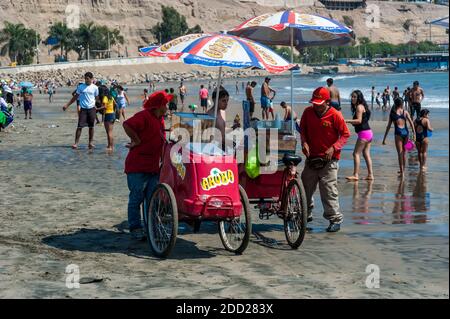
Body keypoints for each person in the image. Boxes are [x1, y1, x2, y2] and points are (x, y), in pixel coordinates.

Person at [123, 90, 173, 240]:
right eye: (166, 103)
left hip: (153, 167)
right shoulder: (144, 116)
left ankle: (152, 227)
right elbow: (127, 125)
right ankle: (135, 228)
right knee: (136, 199)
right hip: (137, 167)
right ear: (159, 105)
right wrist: (136, 140)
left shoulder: (160, 120)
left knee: (153, 199)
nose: (168, 106)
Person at [300, 87, 350, 232]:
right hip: (311, 158)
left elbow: (345, 134)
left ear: (327, 102)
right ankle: (305, 213)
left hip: (329, 160)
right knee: (306, 188)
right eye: (314, 102)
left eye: (319, 103)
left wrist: (334, 147)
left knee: (328, 190)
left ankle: (334, 219)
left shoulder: (335, 115)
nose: (315, 105)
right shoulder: (307, 112)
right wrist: (304, 142)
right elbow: (302, 129)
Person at [62, 72, 100, 150]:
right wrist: (67, 105)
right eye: (85, 79)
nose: (86, 80)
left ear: (92, 79)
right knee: (79, 126)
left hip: (92, 109)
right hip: (83, 109)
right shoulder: (81, 87)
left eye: (88, 79)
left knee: (91, 127)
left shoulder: (95, 88)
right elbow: (75, 97)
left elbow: (97, 98)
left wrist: (99, 106)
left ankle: (90, 143)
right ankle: (76, 143)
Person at [382, 97, 416, 179]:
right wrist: (414, 133)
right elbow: (411, 123)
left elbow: (388, 126)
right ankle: (402, 170)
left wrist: (384, 139)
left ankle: (402, 172)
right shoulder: (405, 112)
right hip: (406, 133)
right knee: (404, 153)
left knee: (400, 153)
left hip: (398, 133)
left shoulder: (393, 113)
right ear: (402, 104)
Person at [345, 90, 374, 181]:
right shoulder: (362, 106)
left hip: (364, 134)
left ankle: (355, 175)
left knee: (356, 153)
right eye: (352, 97)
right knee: (366, 154)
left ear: (359, 98)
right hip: (368, 132)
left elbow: (359, 121)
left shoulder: (359, 107)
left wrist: (346, 121)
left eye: (355, 97)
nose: (353, 98)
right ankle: (370, 175)